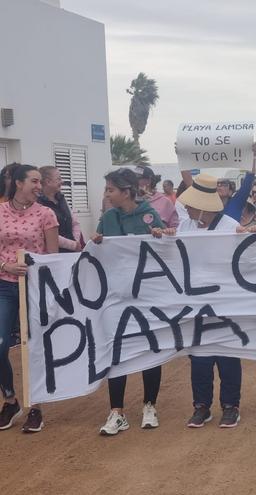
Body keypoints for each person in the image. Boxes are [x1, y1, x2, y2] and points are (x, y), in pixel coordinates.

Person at [92, 168, 172, 436]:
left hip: (148, 295)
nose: (107, 195)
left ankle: (150, 405)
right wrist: (96, 243)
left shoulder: (149, 215)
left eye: (110, 190)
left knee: (151, 348)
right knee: (118, 351)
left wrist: (162, 238)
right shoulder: (109, 218)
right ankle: (117, 412)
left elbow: (167, 252)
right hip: (117, 295)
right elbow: (99, 251)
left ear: (126, 192)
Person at [175, 174, 244, 428]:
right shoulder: (185, 227)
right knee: (199, 355)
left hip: (225, 299)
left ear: (203, 205)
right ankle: (201, 405)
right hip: (196, 301)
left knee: (227, 354)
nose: (187, 208)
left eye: (191, 204)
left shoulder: (230, 227)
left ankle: (230, 405)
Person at [0, 164, 59, 432]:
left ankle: (36, 406)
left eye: (40, 181)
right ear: (18, 183)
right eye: (34, 181)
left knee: (33, 348)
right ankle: (11, 400)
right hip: (4, 286)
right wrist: (5, 267)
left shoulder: (46, 214)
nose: (39, 186)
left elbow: (53, 257)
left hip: (35, 289)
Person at [37, 166, 83, 252]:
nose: (62, 181)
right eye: (59, 179)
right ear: (48, 182)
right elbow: (47, 234)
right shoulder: (38, 203)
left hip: (72, 251)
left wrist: (76, 241)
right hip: (53, 253)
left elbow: (75, 222)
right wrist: (72, 245)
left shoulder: (61, 198)